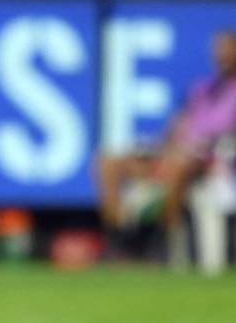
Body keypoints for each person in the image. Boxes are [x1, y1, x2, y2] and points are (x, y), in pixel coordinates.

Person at [96, 29, 236, 259]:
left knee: (181, 166)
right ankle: (119, 238)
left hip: (212, 160)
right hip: (178, 153)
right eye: (219, 49)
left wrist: (203, 148)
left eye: (228, 49)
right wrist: (159, 148)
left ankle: (158, 239)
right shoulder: (203, 88)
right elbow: (179, 124)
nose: (222, 54)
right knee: (108, 162)